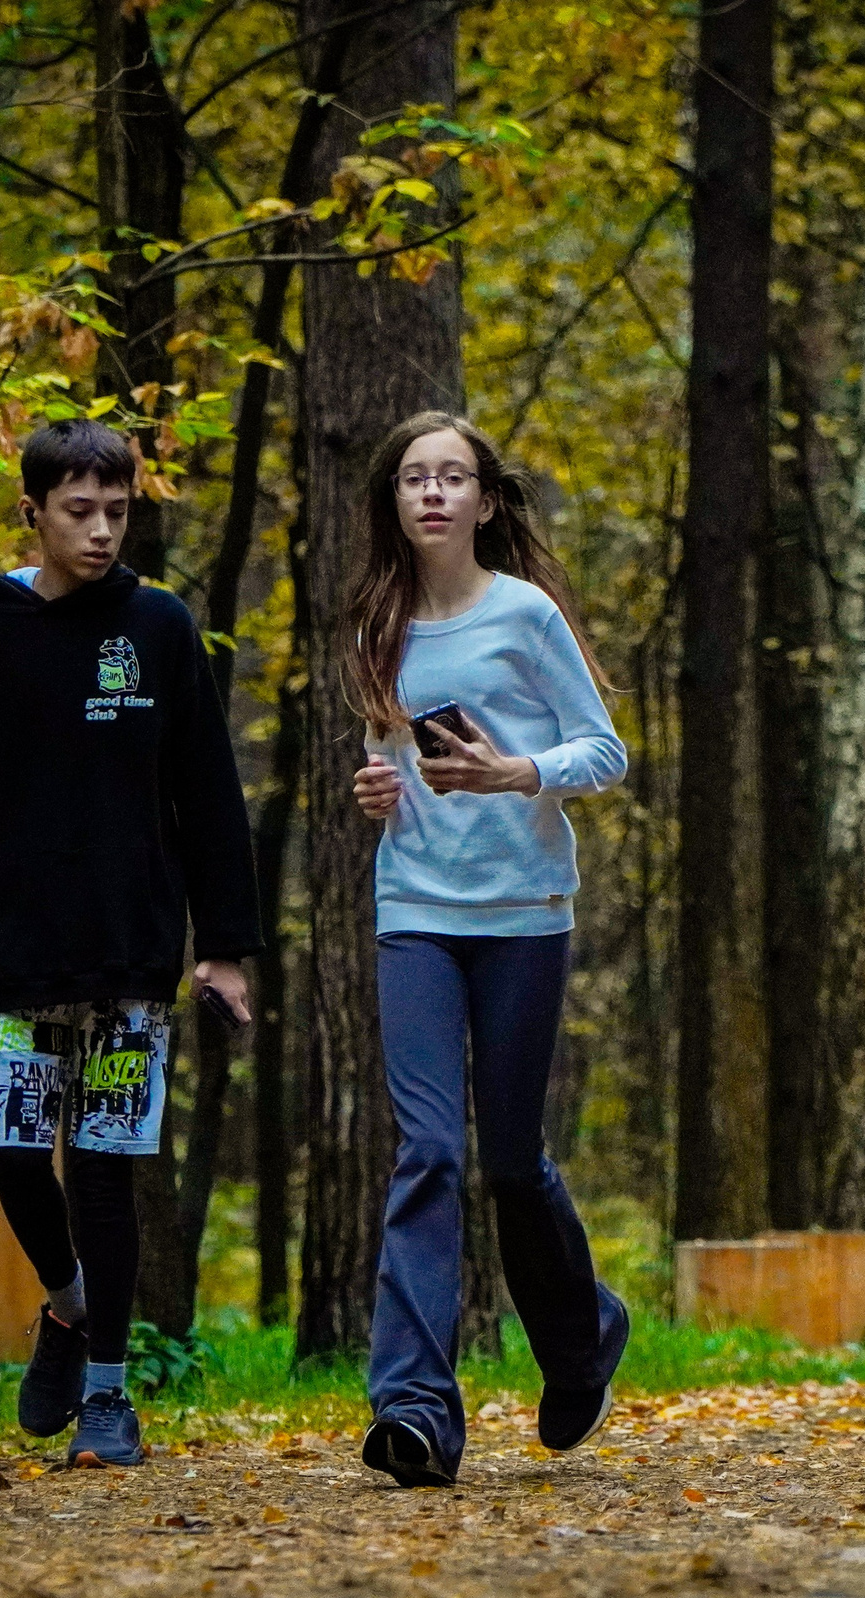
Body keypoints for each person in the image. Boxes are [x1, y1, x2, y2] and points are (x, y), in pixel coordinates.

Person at [0, 418, 260, 1468]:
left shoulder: (158, 627)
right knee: (19, 1159)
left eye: (117, 510)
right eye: (79, 512)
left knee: (104, 1170)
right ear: (34, 514)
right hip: (16, 953)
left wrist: (225, 944)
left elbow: (209, 794)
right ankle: (66, 1310)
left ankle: (109, 1394)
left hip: (128, 956)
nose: (102, 531)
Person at [345, 410, 632, 1488]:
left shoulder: (525, 614)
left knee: (511, 1164)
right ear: (394, 502)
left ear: (484, 500)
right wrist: (376, 787)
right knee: (431, 1151)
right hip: (414, 908)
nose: (431, 494)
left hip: (520, 911)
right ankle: (414, 1409)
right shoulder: (375, 621)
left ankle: (581, 1339)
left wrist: (517, 774)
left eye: (451, 478)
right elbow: (387, 765)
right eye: (413, 478)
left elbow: (605, 752)